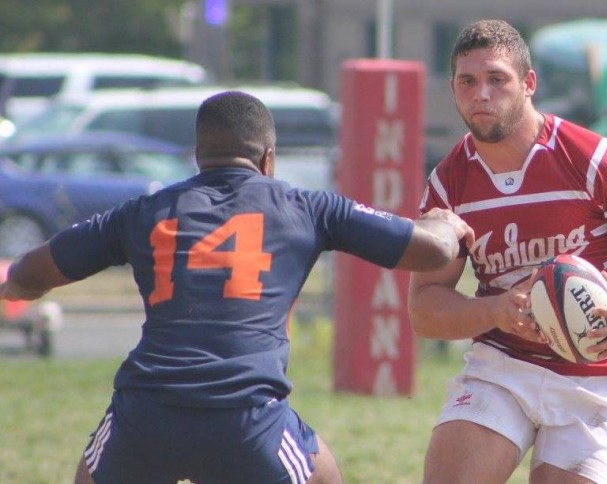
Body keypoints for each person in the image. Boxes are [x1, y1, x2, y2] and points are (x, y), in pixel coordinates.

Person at [0, 90, 473, 484]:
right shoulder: (307, 208)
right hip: (246, 418)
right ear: (268, 159)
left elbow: (27, 276)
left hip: (147, 414)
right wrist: (442, 222)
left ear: (198, 157)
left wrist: (16, 286)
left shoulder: (142, 212)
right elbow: (431, 251)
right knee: (324, 472)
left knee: (91, 471)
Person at [408, 19, 607, 484]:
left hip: (596, 375)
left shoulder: (592, 160)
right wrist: (497, 311)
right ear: (453, 89)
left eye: (496, 79)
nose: (481, 94)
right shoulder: (448, 185)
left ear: (528, 84)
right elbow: (425, 309)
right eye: (467, 81)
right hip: (503, 367)